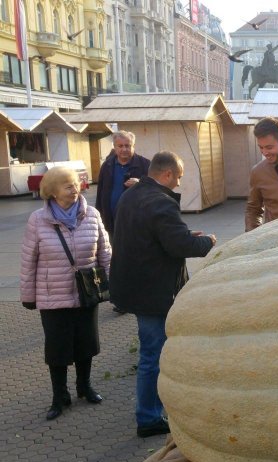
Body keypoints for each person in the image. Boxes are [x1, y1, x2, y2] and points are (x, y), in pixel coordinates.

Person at [110, 151, 217, 438]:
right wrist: (207, 241)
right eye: (178, 177)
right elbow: (180, 246)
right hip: (153, 291)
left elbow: (156, 238)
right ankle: (148, 418)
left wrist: (182, 236)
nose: (178, 183)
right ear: (167, 174)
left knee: (151, 351)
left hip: (134, 285)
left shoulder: (132, 195)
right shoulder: (161, 202)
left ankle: (153, 409)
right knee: (153, 354)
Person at [20, 167, 111, 421]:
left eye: (76, 184)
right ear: (52, 191)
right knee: (57, 349)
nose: (75, 189)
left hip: (87, 293)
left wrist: (110, 283)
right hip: (53, 295)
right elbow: (29, 260)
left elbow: (105, 253)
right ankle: (59, 396)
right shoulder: (37, 220)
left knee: (86, 342)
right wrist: (28, 295)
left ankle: (85, 387)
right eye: (68, 185)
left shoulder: (91, 214)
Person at [95, 131, 150, 237]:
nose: (124, 149)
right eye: (120, 146)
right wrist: (98, 217)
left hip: (136, 223)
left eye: (127, 146)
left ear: (133, 146)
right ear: (114, 147)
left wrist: (141, 183)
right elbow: (100, 193)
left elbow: (157, 188)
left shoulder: (145, 165)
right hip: (111, 222)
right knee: (114, 251)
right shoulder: (107, 166)